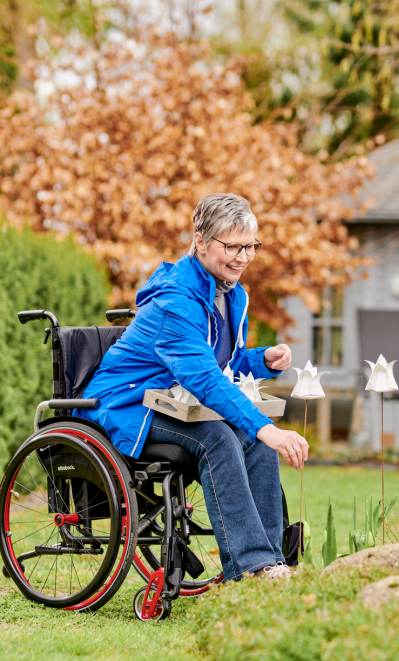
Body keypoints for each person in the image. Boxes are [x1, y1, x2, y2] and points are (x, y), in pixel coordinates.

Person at [78, 193, 310, 581]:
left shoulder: (231, 294)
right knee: (221, 436)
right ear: (201, 241)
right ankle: (251, 569)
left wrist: (260, 359)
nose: (243, 257)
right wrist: (267, 427)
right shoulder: (177, 301)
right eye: (232, 246)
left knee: (253, 440)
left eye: (250, 246)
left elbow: (220, 363)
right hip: (130, 404)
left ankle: (272, 563)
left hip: (176, 401)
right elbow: (202, 377)